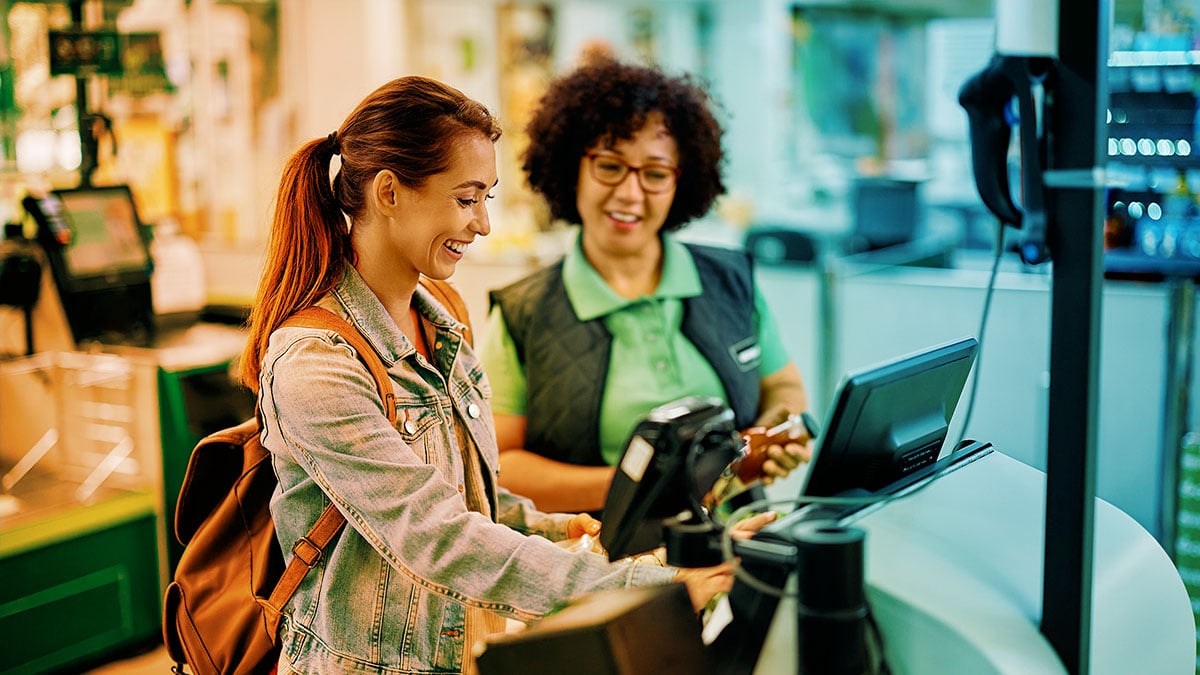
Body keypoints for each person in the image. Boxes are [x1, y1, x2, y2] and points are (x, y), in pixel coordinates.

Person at [239, 76, 772, 675]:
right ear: (389, 192)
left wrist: (549, 526)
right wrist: (647, 581)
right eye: (467, 199)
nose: (484, 224)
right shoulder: (315, 364)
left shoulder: (444, 327)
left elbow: (467, 500)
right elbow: (434, 536)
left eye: (487, 198)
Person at [480, 58, 813, 514]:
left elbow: (785, 389)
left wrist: (772, 437)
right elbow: (499, 465)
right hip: (605, 566)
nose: (631, 194)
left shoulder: (730, 281)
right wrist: (646, 485)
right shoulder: (523, 315)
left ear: (683, 180)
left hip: (742, 550)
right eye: (610, 166)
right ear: (570, 166)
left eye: (655, 173)